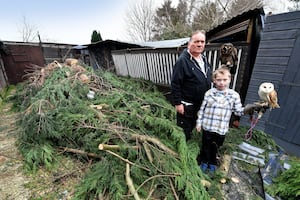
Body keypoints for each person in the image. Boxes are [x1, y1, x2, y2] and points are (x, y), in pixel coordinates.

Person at [196, 66, 261, 172]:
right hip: (208, 126)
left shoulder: (234, 95)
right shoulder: (209, 93)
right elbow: (202, 109)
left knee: (216, 147)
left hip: (221, 129)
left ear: (230, 79)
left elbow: (238, 111)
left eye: (225, 80)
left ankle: (212, 162)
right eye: (219, 80)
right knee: (206, 145)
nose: (222, 82)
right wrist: (199, 123)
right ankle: (204, 161)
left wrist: (250, 108)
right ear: (214, 80)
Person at [171, 30, 212, 141]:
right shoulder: (183, 61)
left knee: (195, 125)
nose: (199, 44)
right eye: (196, 41)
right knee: (185, 129)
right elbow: (175, 83)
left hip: (200, 103)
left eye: (202, 42)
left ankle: (191, 145)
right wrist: (178, 103)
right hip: (187, 104)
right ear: (189, 43)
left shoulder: (203, 58)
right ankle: (183, 150)